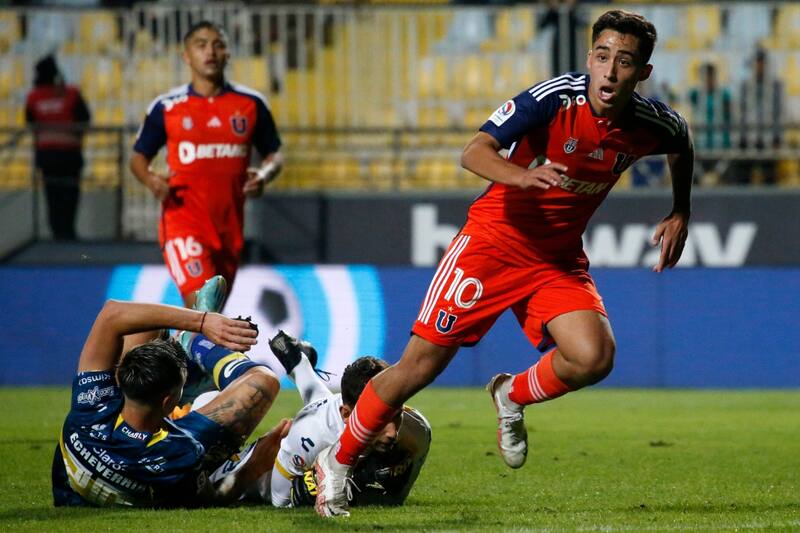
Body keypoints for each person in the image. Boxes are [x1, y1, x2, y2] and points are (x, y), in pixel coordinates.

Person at [313, 9, 693, 517]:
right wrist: (519, 177)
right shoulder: (553, 98)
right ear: (589, 58)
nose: (610, 70)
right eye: (602, 56)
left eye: (624, 62)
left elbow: (681, 139)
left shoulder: (649, 123)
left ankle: (511, 394)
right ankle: (336, 464)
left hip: (555, 258)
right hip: (492, 244)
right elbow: (474, 152)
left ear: (642, 72)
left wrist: (681, 209)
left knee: (594, 357)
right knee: (418, 368)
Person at [52, 289, 291, 507]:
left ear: (124, 380)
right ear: (168, 402)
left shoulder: (89, 408)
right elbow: (214, 498)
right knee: (263, 381)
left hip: (76, 492)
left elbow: (112, 313)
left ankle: (191, 352)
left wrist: (203, 321)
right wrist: (253, 466)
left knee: (144, 327)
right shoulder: (182, 453)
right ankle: (197, 344)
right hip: (164, 443)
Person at [130, 20, 283, 308]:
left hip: (229, 230)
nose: (210, 52)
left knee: (209, 318)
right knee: (203, 306)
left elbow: (275, 154)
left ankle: (166, 339)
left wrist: (264, 175)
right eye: (201, 45)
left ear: (228, 53)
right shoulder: (168, 107)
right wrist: (150, 180)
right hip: (183, 223)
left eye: (218, 45)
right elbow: (138, 158)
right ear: (186, 56)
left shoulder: (251, 104)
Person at [205, 331, 431, 508]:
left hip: (327, 413)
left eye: (397, 415)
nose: (392, 433)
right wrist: (305, 493)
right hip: (255, 473)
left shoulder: (417, 429)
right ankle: (198, 348)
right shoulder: (311, 435)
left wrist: (360, 485)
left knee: (318, 398)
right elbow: (279, 500)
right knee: (207, 485)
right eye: (380, 419)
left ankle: (297, 360)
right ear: (347, 414)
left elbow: (395, 499)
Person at [25, 54, 91, 240]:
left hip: (47, 156)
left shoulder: (34, 97)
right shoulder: (71, 93)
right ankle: (68, 233)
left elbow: (30, 123)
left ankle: (57, 234)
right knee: (70, 195)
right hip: (70, 154)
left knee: (52, 196)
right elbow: (85, 118)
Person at [736, 47, 783, 185]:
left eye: (762, 62)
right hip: (749, 137)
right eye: (757, 62)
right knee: (744, 179)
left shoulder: (775, 86)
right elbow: (740, 113)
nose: (759, 66)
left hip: (768, 138)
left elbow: (779, 112)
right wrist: (741, 137)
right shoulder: (745, 86)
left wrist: (777, 137)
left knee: (769, 178)